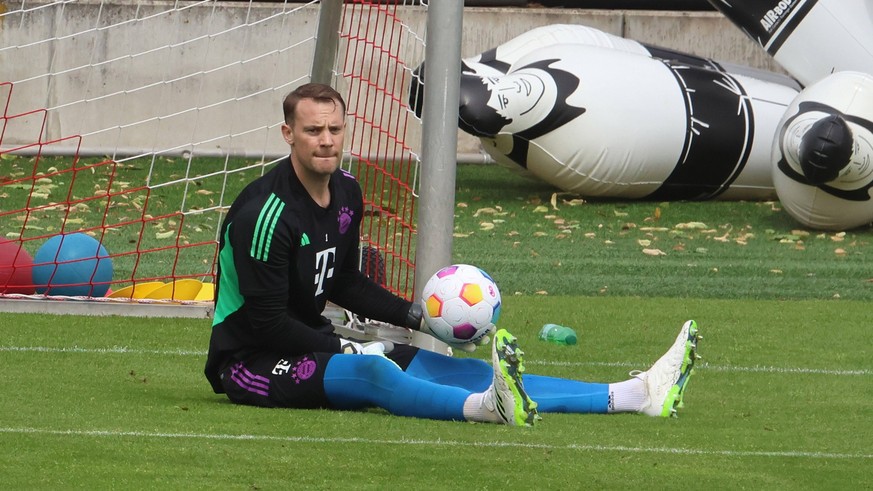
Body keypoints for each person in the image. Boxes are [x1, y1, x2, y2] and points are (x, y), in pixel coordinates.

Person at [204, 82, 701, 426]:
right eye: (313, 131)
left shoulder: (348, 193)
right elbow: (267, 323)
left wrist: (419, 318)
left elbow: (343, 283)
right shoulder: (264, 215)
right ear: (288, 134)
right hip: (252, 362)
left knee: (450, 367)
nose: (326, 140)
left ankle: (632, 396)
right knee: (374, 369)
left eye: (334, 129)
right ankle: (485, 410)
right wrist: (343, 347)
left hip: (314, 342)